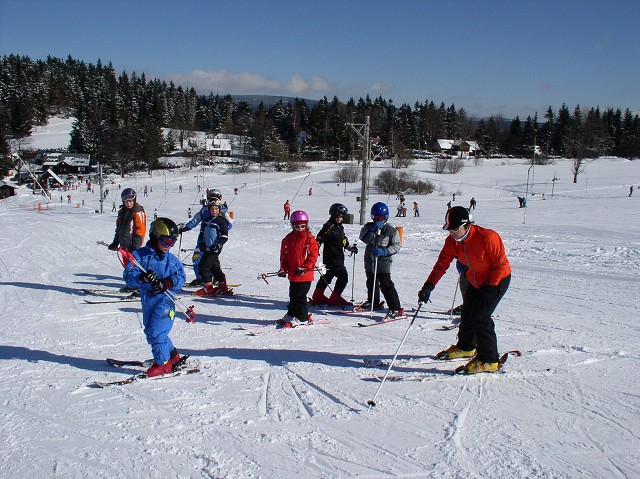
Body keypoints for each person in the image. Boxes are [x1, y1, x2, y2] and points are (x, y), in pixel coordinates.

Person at [418, 206, 512, 374]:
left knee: (480, 317)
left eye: (455, 229)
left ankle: (490, 359)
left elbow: (500, 264)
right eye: (450, 229)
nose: (452, 233)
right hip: (475, 279)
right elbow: (441, 265)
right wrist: (428, 286)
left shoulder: (488, 237)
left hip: (498, 279)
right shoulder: (452, 242)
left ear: (467, 225)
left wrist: (490, 288)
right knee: (468, 313)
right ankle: (466, 347)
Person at [122, 217, 186, 377]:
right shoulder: (139, 256)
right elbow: (129, 276)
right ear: (155, 236)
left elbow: (181, 278)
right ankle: (173, 356)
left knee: (156, 333)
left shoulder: (172, 261)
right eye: (166, 241)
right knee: (152, 331)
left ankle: (163, 363)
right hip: (148, 301)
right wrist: (141, 278)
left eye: (172, 243)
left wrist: (168, 282)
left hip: (166, 301)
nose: (169, 246)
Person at [358, 202, 404, 318]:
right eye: (377, 218)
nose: (380, 220)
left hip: (383, 262)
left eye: (382, 218)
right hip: (370, 261)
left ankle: (395, 307)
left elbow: (397, 245)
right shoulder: (369, 227)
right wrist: (371, 230)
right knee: (371, 283)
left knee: (386, 284)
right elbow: (363, 239)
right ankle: (373, 302)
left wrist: (385, 251)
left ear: (386, 217)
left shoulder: (391, 231)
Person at [180, 188, 231, 286]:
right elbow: (196, 219)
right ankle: (202, 278)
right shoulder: (204, 209)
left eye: (215, 198)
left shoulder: (222, 210)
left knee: (208, 261)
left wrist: (220, 229)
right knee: (199, 259)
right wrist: (186, 228)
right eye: (211, 197)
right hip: (203, 238)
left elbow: (229, 224)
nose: (213, 201)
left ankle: (207, 280)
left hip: (214, 240)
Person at [277, 210, 319, 327]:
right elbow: (284, 256)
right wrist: (283, 268)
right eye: (297, 226)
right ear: (292, 226)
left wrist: (304, 268)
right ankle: (291, 314)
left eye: (302, 226)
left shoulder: (310, 240)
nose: (300, 229)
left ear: (306, 225)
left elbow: (313, 256)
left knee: (300, 296)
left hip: (305, 274)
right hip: (293, 274)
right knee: (293, 295)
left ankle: (302, 317)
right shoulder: (288, 239)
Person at [310, 203, 358, 306]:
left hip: (338, 257)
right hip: (333, 259)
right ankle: (335, 298)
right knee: (343, 277)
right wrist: (314, 250)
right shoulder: (329, 226)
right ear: (333, 215)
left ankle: (318, 295)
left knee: (327, 276)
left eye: (341, 216)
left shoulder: (340, 227)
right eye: (338, 216)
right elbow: (319, 239)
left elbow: (343, 240)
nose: (340, 218)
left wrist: (350, 248)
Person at [194, 199, 231, 296]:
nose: (214, 211)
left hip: (214, 249)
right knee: (214, 267)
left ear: (219, 210)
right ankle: (223, 285)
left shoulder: (221, 221)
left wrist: (218, 244)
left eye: (216, 209)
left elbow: (224, 236)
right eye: (212, 209)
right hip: (206, 248)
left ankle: (208, 288)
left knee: (203, 267)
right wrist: (201, 243)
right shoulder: (207, 220)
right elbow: (202, 234)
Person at [108, 188, 147, 253]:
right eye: (126, 202)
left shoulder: (137, 212)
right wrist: (115, 242)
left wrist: (136, 248)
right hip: (124, 247)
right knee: (126, 263)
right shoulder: (122, 212)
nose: (128, 204)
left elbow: (140, 231)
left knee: (130, 263)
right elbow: (119, 229)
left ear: (134, 200)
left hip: (133, 248)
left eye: (130, 201)